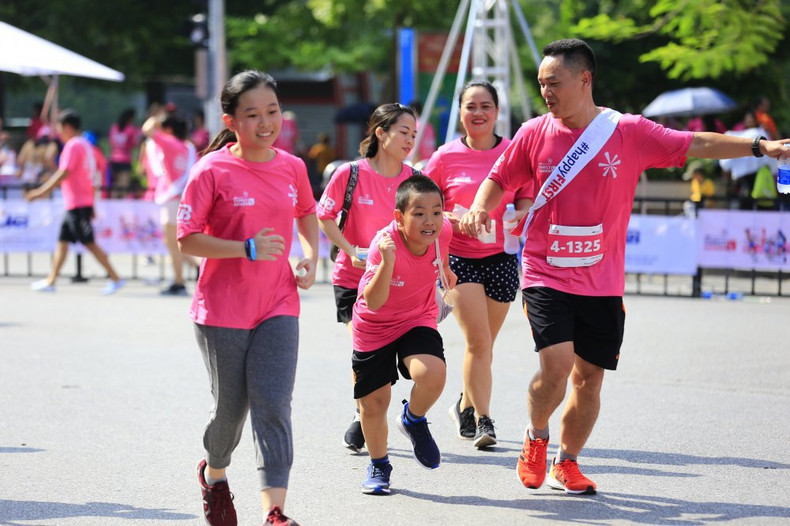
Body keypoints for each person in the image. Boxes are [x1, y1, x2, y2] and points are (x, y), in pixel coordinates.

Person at [460, 38, 790, 496]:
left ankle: (567, 463)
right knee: (555, 366)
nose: (546, 92)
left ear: (584, 79)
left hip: (602, 279)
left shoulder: (627, 131)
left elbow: (695, 143)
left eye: (553, 83)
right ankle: (536, 436)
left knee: (589, 379)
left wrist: (759, 146)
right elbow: (499, 178)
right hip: (545, 271)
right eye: (541, 84)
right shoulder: (535, 131)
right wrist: (480, 206)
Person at [178, 70, 318, 526]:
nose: (266, 122)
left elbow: (307, 214)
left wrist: (312, 257)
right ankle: (214, 473)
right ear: (231, 120)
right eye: (253, 114)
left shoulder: (292, 166)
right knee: (230, 413)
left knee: (274, 405)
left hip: (278, 304)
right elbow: (188, 239)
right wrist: (245, 248)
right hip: (222, 309)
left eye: (273, 112)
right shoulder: (211, 170)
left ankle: (273, 511)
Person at [425, 80, 531, 449]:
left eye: (485, 106)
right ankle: (485, 420)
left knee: (485, 346)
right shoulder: (444, 157)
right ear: (460, 113)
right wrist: (457, 219)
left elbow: (527, 197)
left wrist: (517, 214)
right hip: (459, 260)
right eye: (470, 106)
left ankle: (464, 404)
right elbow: (425, 208)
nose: (478, 113)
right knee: (478, 340)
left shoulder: (514, 152)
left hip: (501, 257)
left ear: (498, 112)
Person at [317, 103, 421, 454]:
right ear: (380, 132)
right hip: (352, 279)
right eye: (403, 132)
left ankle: (368, 411)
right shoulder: (350, 174)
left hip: (398, 284)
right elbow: (325, 215)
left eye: (414, 135)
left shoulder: (414, 179)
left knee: (384, 356)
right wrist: (348, 248)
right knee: (366, 349)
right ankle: (363, 411)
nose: (410, 140)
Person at [351, 174, 456, 494]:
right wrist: (387, 262)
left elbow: (443, 255)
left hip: (417, 317)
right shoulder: (382, 245)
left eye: (436, 212)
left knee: (433, 373)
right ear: (399, 217)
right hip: (374, 325)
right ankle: (380, 465)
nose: (431, 221)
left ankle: (413, 418)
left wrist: (446, 271)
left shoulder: (443, 232)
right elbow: (375, 300)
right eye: (419, 213)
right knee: (374, 404)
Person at [25, 109, 125, 295]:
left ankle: (116, 278)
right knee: (63, 242)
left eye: (60, 128)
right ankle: (51, 280)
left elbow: (64, 172)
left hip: (78, 203)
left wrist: (39, 192)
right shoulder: (86, 145)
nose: (59, 133)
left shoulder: (73, 146)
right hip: (78, 202)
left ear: (68, 127)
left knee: (89, 243)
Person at [141, 113, 200, 295]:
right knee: (176, 242)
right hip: (183, 199)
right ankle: (197, 268)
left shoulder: (169, 143)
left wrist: (157, 118)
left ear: (168, 130)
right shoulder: (188, 148)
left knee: (173, 244)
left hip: (171, 199)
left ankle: (179, 281)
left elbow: (147, 129)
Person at [108, 108, 141, 198]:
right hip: (125, 160)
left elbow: (111, 142)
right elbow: (135, 143)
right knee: (124, 186)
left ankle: (114, 204)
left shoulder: (114, 128)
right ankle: (121, 208)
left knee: (115, 185)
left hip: (114, 159)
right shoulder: (130, 129)